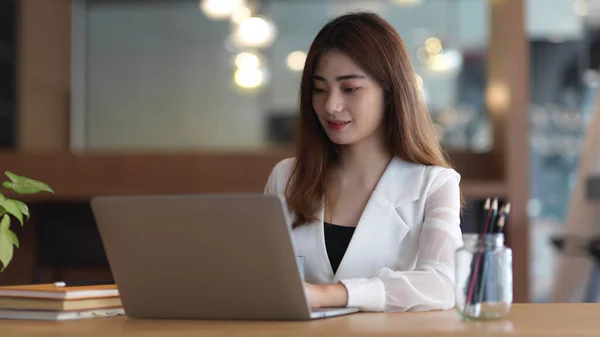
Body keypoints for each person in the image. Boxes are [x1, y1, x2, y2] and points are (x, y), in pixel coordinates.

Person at [263, 11, 463, 313]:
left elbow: (442, 285)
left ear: (391, 92)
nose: (331, 105)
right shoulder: (286, 177)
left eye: (350, 89)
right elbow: (261, 278)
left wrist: (330, 294)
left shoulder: (434, 184)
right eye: (319, 89)